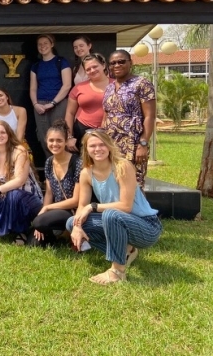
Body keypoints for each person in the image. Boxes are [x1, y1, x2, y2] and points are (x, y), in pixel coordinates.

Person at [67, 129, 162, 285]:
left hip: (146, 226)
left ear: (110, 146)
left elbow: (125, 206)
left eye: (102, 144)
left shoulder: (122, 166)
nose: (97, 149)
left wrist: (93, 206)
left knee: (111, 215)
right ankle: (126, 251)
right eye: (92, 146)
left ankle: (117, 271)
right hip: (117, 220)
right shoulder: (86, 173)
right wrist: (77, 227)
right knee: (72, 222)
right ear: (86, 149)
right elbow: (81, 206)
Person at [0, 120, 43, 244]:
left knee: (14, 195)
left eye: (3, 132)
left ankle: (22, 231)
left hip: (28, 197)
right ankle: (6, 228)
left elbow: (20, 180)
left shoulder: (19, 151)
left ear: (9, 134)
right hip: (4, 196)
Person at [102, 50, 156, 190]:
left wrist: (143, 143)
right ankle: (116, 211)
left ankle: (140, 212)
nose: (117, 65)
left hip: (133, 142)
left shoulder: (142, 84)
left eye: (121, 61)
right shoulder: (109, 88)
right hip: (111, 143)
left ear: (130, 62)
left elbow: (150, 116)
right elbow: (106, 114)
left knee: (134, 183)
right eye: (113, 63)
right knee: (113, 181)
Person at [31, 120, 82, 247]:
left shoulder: (77, 163)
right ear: (46, 141)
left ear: (66, 142)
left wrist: (47, 209)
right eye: (51, 140)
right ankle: (56, 236)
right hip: (56, 209)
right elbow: (49, 193)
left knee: (39, 222)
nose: (55, 144)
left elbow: (76, 200)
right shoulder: (49, 162)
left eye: (59, 140)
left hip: (73, 211)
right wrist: (42, 216)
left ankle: (62, 233)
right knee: (34, 243)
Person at [30, 34, 72, 157]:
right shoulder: (36, 66)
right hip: (40, 105)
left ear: (52, 44)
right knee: (45, 138)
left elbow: (67, 85)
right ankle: (51, 168)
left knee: (59, 136)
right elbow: (33, 88)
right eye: (40, 44)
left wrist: (52, 103)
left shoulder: (61, 62)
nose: (42, 46)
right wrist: (35, 104)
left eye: (45, 43)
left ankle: (64, 170)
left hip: (59, 104)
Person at [65, 53, 113, 152]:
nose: (92, 70)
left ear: (103, 65)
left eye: (95, 66)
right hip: (82, 131)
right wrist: (69, 136)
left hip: (111, 132)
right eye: (88, 69)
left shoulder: (117, 85)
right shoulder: (78, 88)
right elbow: (70, 113)